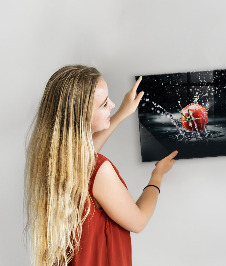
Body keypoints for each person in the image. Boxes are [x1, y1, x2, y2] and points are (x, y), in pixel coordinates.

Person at [24, 65, 177, 266]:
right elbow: (138, 221)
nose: (112, 104)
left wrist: (122, 113)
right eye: (105, 104)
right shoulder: (99, 170)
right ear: (81, 117)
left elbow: (85, 156)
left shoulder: (53, 160)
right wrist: (157, 175)